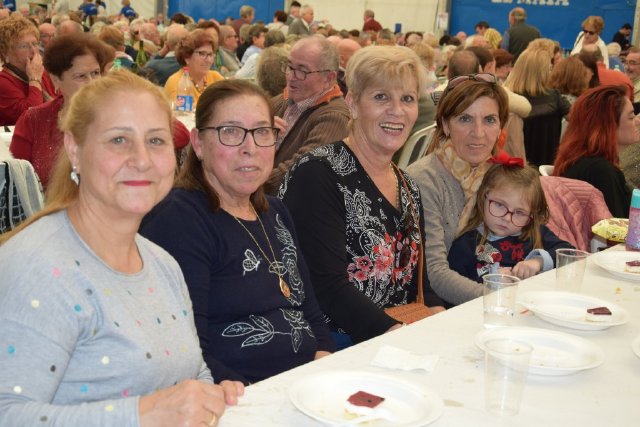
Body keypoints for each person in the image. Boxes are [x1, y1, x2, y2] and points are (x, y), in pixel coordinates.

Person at [0, 70, 242, 426]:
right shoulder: (37, 269)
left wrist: (210, 395)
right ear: (74, 149)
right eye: (118, 140)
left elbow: (193, 372)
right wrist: (145, 413)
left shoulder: (161, 263)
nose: (142, 159)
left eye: (156, 140)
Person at [140, 80, 334, 384]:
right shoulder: (179, 220)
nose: (250, 148)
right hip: (240, 396)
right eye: (230, 132)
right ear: (198, 144)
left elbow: (311, 311)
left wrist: (323, 360)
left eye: (262, 132)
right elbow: (187, 351)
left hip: (304, 384)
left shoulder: (276, 211)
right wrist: (258, 396)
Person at [279, 46, 445, 348]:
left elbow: (419, 283)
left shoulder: (407, 184)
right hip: (334, 344)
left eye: (407, 99)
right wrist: (399, 336)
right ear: (352, 104)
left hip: (391, 335)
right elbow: (327, 287)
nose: (397, 111)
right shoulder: (318, 174)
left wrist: (439, 320)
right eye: (381, 97)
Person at [407, 74, 510, 306]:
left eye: (489, 120)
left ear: (500, 127)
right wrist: (502, 296)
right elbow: (434, 274)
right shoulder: (425, 179)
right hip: (444, 305)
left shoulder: (499, 176)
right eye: (465, 119)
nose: (478, 132)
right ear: (445, 125)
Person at [10, 33, 112, 189]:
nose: (92, 83)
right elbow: (15, 182)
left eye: (95, 73)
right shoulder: (33, 120)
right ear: (56, 79)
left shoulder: (116, 118)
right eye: (81, 76)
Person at [449, 158, 572, 282]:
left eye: (519, 212)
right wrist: (490, 282)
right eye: (500, 205)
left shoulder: (537, 233)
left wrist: (538, 261)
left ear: (531, 216)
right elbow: (454, 287)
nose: (507, 218)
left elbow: (569, 254)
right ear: (483, 197)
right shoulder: (465, 245)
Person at [268, 35, 349, 192]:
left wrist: (249, 181)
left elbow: (300, 170)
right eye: (290, 67)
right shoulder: (284, 99)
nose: (291, 76)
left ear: (329, 78)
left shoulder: (335, 118)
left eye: (302, 71)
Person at [553, 85, 639, 218]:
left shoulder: (579, 158)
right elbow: (616, 227)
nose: (637, 121)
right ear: (609, 126)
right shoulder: (600, 171)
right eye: (631, 117)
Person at [504, 47, 570, 166]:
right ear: (541, 73)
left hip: (514, 165)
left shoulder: (509, 97)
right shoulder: (554, 98)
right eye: (549, 69)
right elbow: (577, 118)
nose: (551, 72)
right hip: (547, 165)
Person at [0, 16, 56, 126]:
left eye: (35, 44)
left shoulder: (42, 72)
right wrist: (34, 80)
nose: (33, 50)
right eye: (24, 46)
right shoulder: (3, 81)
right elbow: (32, 117)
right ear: (6, 52)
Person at [164, 29, 224, 108]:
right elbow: (182, 112)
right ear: (187, 57)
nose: (208, 60)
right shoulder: (176, 82)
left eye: (210, 54)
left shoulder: (215, 77)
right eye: (202, 54)